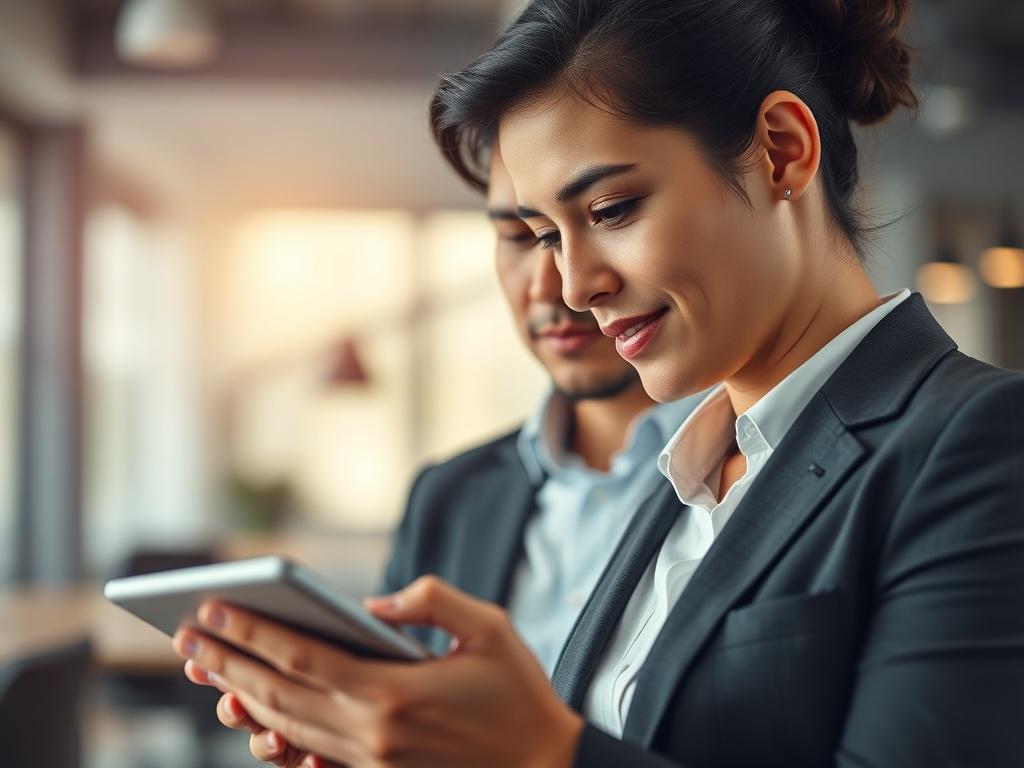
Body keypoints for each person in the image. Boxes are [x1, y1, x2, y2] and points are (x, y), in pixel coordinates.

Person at [172, 1, 1024, 766]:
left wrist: (542, 751)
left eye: (611, 211)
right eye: (544, 234)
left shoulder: (982, 442)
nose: (574, 286)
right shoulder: (684, 479)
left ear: (781, 151)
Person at [183, 147, 704, 765]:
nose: (553, 285)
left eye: (608, 213)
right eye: (521, 236)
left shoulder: (749, 465)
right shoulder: (445, 493)